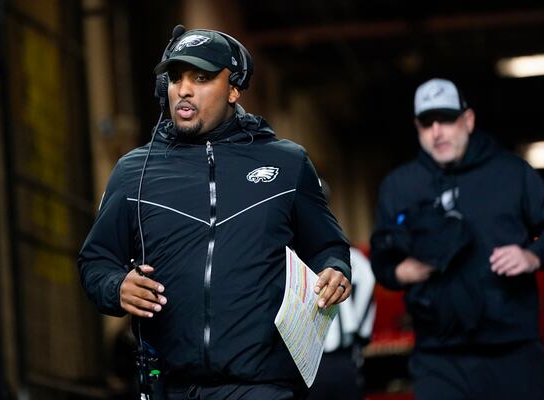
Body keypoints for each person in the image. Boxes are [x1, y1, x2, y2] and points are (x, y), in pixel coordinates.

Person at [78, 26, 352, 400]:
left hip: (262, 385)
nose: (184, 90)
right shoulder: (133, 173)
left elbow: (327, 245)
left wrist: (335, 268)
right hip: (169, 386)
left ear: (234, 88)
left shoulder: (287, 164)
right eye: (175, 79)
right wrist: (117, 286)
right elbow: (96, 260)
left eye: (202, 78)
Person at [369, 77, 544, 400]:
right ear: (417, 128)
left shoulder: (511, 173)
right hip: (439, 357)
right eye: (427, 123)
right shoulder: (399, 187)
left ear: (468, 120)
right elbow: (382, 262)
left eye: (447, 119)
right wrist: (401, 272)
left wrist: (532, 256)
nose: (437, 132)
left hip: (512, 351)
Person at [308, 182, 376, 400]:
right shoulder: (352, 257)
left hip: (338, 357)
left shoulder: (352, 257)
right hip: (330, 359)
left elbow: (367, 283)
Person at [307, 246, 375, 400]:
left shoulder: (291, 253)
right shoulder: (352, 255)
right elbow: (368, 280)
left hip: (320, 355)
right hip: (343, 352)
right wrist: (359, 330)